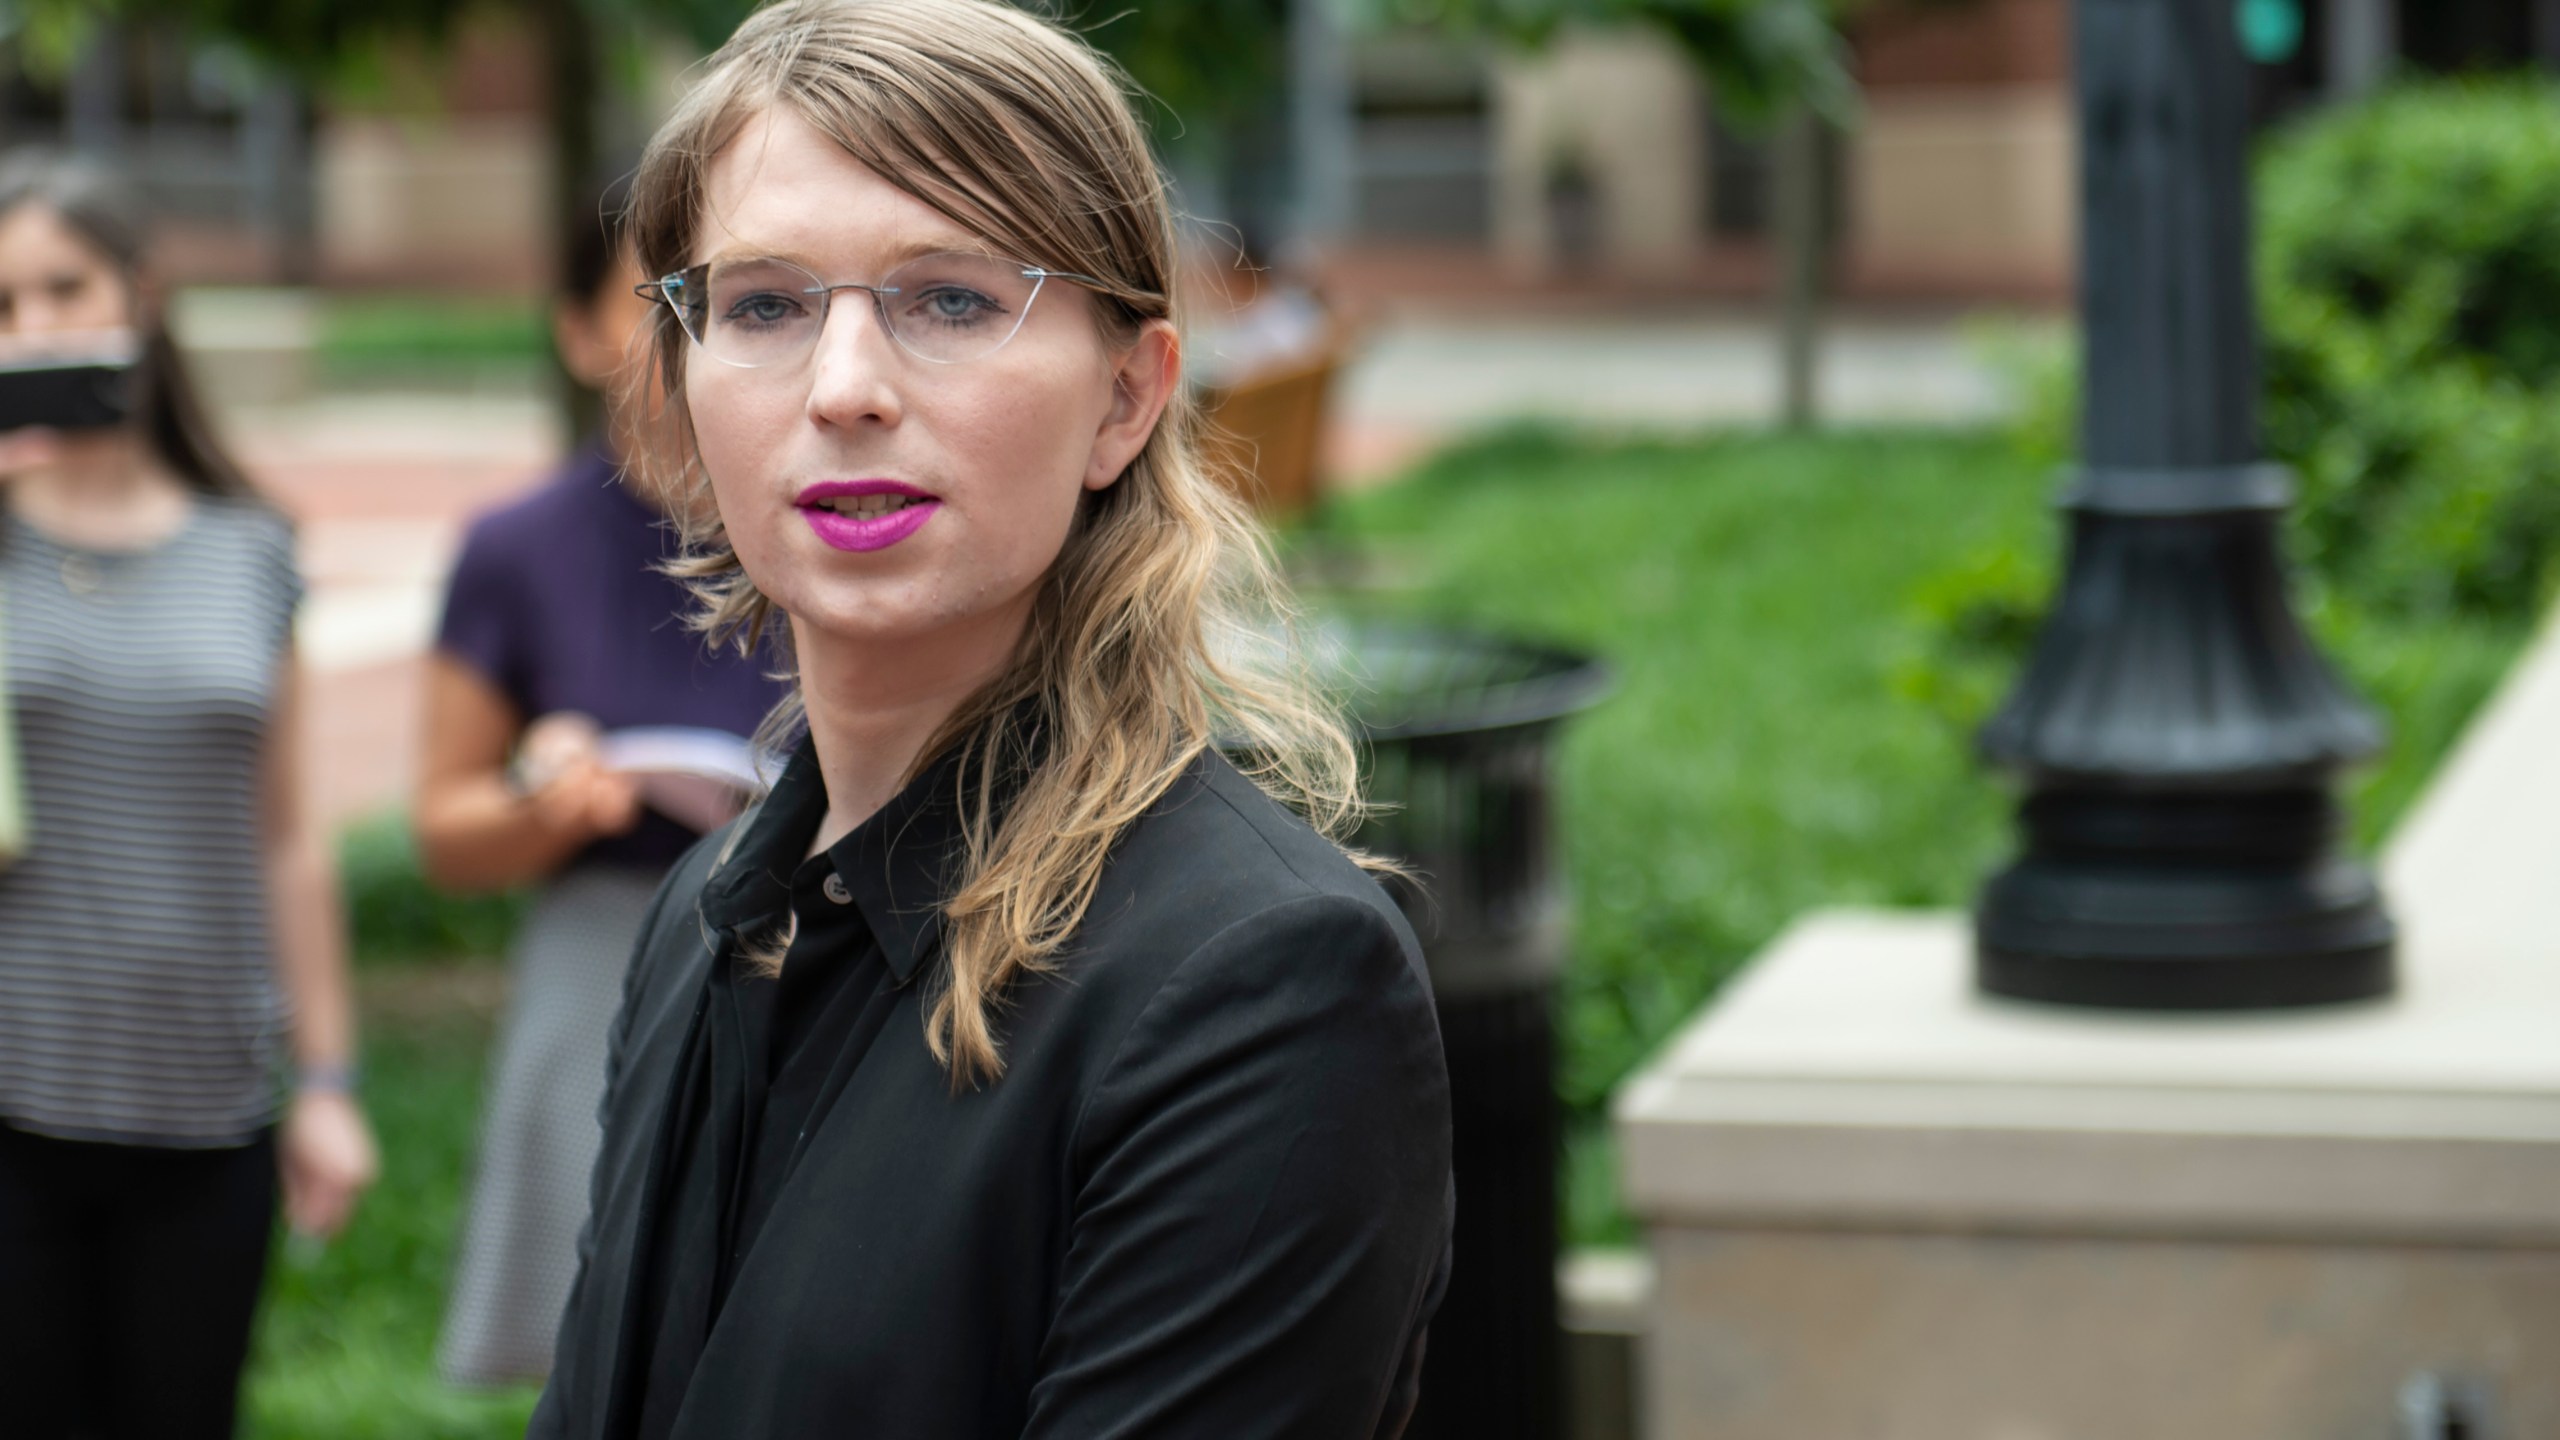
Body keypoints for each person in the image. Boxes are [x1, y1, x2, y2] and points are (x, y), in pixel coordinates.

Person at [531, 1, 1454, 1436]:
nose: (844, 389)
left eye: (950, 298)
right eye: (766, 305)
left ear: (1127, 397)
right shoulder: (707, 916)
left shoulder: (1261, 984)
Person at [0, 152, 377, 1439]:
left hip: (204, 1105)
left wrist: (326, 1080)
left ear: (142, 296)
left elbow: (286, 838)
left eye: (64, 288)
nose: (36, 328)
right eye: (3, 307)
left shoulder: (248, 547)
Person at [416, 181, 789, 1386]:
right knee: (608, 1341)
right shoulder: (517, 548)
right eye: (653, 293)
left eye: (729, 291)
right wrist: (543, 801)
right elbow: (445, 830)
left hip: (817, 949)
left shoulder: (816, 512)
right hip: (605, 957)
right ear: (579, 330)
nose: (689, 327)